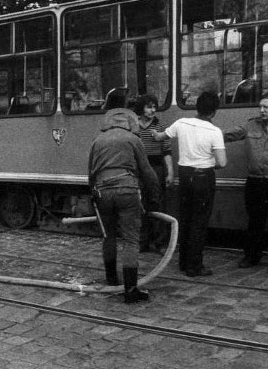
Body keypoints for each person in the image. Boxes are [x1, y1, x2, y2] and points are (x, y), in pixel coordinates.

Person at [88, 108, 160, 303]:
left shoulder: (97, 140)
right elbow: (147, 171)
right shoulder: (132, 139)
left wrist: (93, 196)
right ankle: (130, 290)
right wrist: (154, 198)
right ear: (130, 123)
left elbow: (91, 173)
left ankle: (112, 279)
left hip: (102, 191)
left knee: (108, 236)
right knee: (130, 239)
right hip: (127, 191)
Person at [153, 91, 227, 277]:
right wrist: (210, 163)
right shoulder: (214, 132)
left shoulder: (181, 123)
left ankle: (183, 262)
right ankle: (194, 267)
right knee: (199, 222)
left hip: (185, 177)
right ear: (214, 112)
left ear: (197, 107)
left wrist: (152, 130)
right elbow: (222, 162)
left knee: (185, 219)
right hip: (204, 177)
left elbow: (159, 137)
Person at [223, 91, 268, 270]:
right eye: (260, 106)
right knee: (255, 221)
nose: (261, 110)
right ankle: (251, 257)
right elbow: (227, 135)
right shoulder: (251, 125)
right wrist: (202, 132)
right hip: (255, 182)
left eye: (266, 107)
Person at [133, 95, 174, 253]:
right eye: (149, 107)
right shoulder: (134, 126)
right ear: (141, 108)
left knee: (158, 204)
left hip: (156, 168)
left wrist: (170, 172)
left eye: (154, 107)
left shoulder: (160, 125)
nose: (153, 110)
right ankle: (143, 241)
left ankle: (160, 243)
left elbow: (167, 151)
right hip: (139, 168)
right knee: (139, 204)